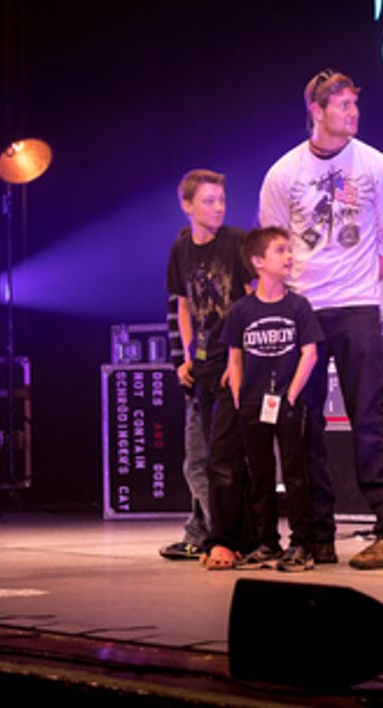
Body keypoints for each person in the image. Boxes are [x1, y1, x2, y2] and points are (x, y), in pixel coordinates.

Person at [258, 69, 383, 569]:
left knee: (369, 416)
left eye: (354, 104)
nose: (353, 113)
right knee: (303, 425)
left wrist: (364, 287)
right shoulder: (284, 173)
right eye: (342, 105)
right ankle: (314, 536)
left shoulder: (374, 165)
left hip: (356, 307)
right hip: (303, 310)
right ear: (317, 111)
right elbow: (272, 244)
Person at [203, 226, 323, 571]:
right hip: (253, 403)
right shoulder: (242, 311)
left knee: (296, 473)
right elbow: (235, 359)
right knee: (260, 474)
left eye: (289, 250)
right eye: (280, 250)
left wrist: (290, 396)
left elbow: (309, 353)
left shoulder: (297, 305)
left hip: (286, 402)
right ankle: (267, 542)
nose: (289, 256)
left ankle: (302, 542)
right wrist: (240, 400)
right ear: (258, 261)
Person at [161, 169, 252, 560]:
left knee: (226, 460)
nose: (218, 207)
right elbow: (182, 303)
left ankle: (227, 538)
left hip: (233, 363)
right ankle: (207, 533)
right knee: (196, 460)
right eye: (208, 201)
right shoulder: (181, 248)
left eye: (221, 200)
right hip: (202, 364)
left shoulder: (236, 243)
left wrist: (241, 358)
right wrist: (183, 356)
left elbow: (253, 302)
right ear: (187, 206)